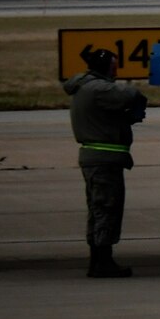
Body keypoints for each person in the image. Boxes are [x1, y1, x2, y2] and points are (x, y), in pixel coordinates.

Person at [64, 47, 148, 277]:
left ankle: (98, 260)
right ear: (106, 68)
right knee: (106, 209)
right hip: (104, 160)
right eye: (114, 65)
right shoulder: (99, 89)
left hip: (97, 158)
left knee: (98, 209)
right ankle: (103, 262)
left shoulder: (85, 86)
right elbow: (129, 95)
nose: (117, 70)